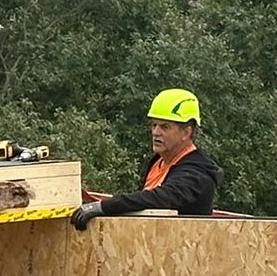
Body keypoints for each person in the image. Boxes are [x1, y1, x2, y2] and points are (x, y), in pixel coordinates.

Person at [70, 88, 223, 230]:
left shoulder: (197, 174)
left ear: (186, 132)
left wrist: (103, 207)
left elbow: (160, 198)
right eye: (154, 125)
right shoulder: (158, 162)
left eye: (165, 127)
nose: (156, 132)